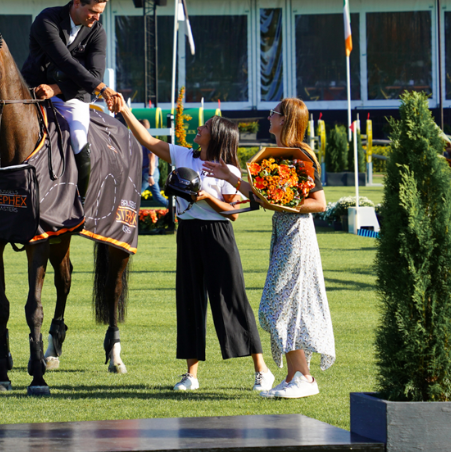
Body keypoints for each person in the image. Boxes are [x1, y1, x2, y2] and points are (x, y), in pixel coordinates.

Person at [111, 101, 274, 393]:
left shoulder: (228, 169)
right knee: (189, 302)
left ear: (217, 135)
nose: (200, 128)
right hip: (187, 233)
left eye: (206, 126)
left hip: (218, 235)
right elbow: (147, 140)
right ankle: (191, 376)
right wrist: (124, 110)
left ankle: (262, 370)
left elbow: (233, 212)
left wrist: (206, 199)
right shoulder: (184, 155)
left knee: (233, 299)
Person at [203, 98, 334, 399]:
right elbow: (262, 197)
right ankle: (293, 377)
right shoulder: (275, 156)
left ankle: (304, 377)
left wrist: (286, 203)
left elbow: (320, 203)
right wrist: (229, 177)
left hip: (298, 235)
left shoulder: (301, 155)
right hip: (283, 232)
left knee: (275, 306)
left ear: (286, 120)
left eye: (274, 113)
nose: (268, 116)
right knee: (286, 305)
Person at [5, 0, 119, 198]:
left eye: (100, 13)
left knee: (78, 138)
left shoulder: (97, 32)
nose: (97, 18)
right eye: (93, 12)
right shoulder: (47, 20)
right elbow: (64, 60)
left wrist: (57, 89)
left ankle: (81, 201)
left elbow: (95, 74)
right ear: (76, 2)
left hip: (73, 96)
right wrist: (103, 89)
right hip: (32, 90)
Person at [140, 120, 168, 208]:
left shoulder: (148, 140)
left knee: (135, 193)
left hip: (149, 171)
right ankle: (173, 208)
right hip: (150, 171)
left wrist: (150, 175)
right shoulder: (145, 140)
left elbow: (152, 158)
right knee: (157, 197)